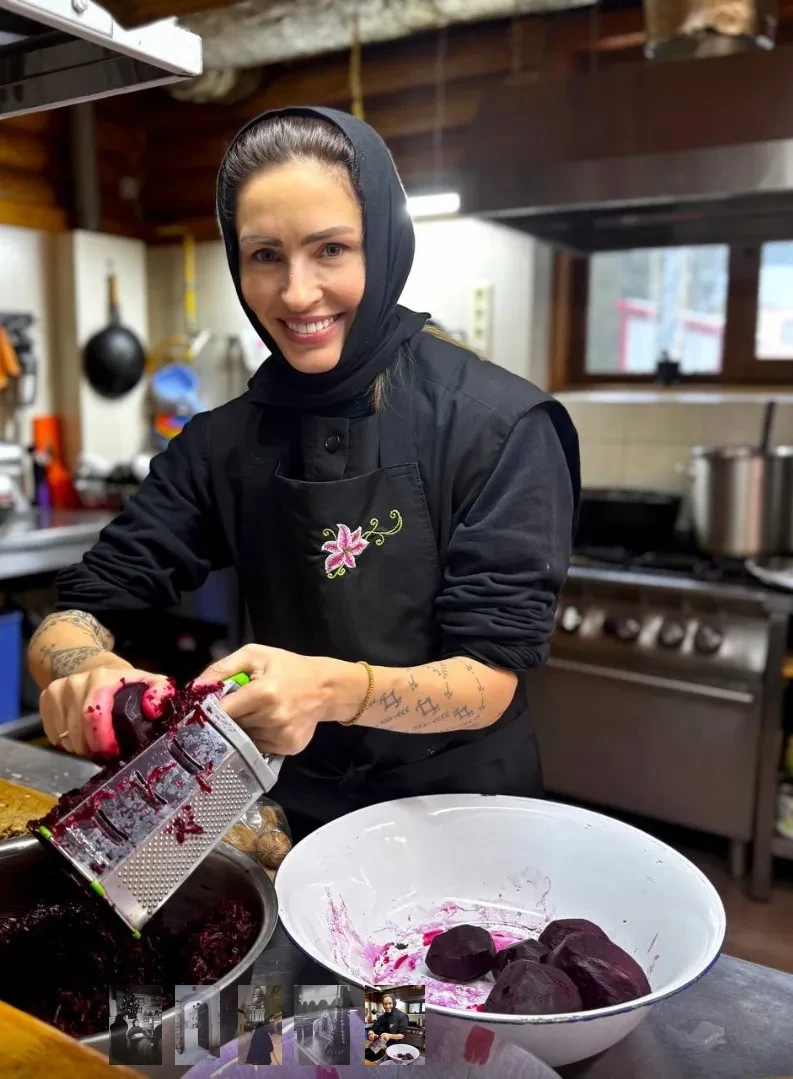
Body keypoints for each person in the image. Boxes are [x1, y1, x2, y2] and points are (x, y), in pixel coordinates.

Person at [27, 106, 579, 842]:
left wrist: (325, 689)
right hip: (287, 813)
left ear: (384, 245)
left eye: (331, 249)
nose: (295, 293)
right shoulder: (222, 442)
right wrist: (86, 669)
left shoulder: (498, 425)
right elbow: (76, 612)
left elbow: (490, 678)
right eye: (265, 255)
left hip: (459, 815)